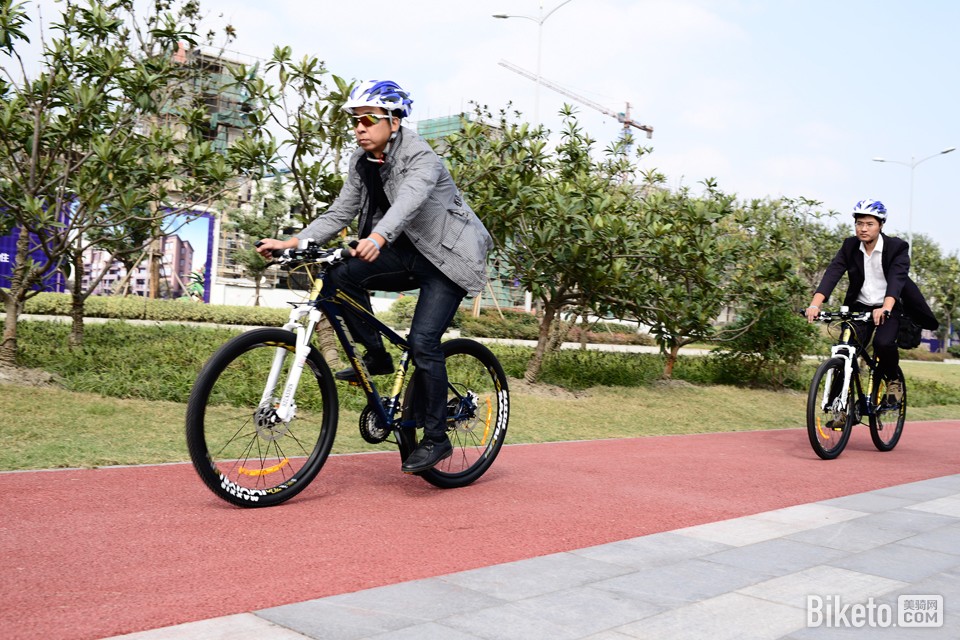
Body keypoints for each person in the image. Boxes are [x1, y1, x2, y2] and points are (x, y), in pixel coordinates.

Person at [256, 80, 493, 473]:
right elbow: (339, 212)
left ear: (394, 122)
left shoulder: (422, 157)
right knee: (341, 275)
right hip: (410, 253)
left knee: (423, 341)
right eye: (355, 121)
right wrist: (293, 241)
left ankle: (437, 439)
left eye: (368, 119)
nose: (359, 128)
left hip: (450, 260)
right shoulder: (361, 163)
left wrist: (379, 236)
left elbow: (408, 200)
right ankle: (378, 357)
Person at [804, 199, 937, 405]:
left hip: (889, 306)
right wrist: (815, 304)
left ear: (881, 225)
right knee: (845, 350)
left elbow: (896, 279)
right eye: (859, 223)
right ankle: (838, 406)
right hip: (860, 307)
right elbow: (833, 273)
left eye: (869, 224)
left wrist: (885, 307)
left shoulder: (896, 248)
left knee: (882, 344)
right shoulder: (850, 246)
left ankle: (893, 381)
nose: (863, 229)